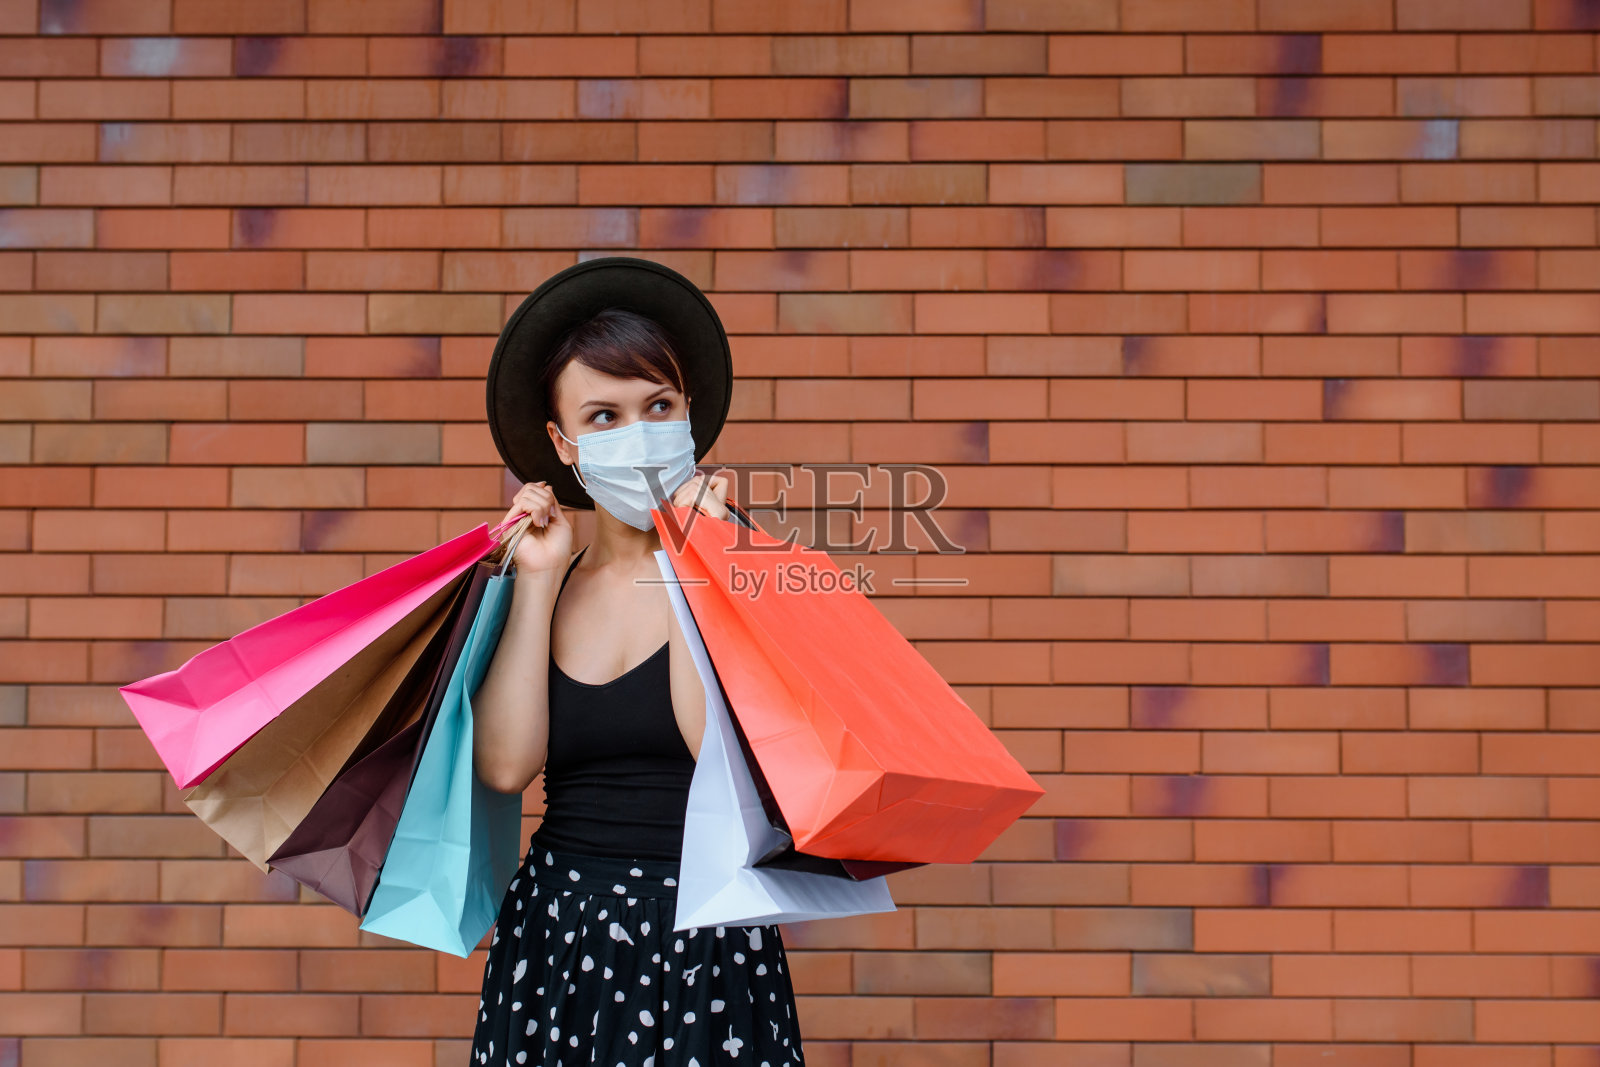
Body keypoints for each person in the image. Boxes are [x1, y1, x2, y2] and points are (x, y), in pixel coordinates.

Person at [468, 258, 806, 1066]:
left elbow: (714, 751)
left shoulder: (746, 567)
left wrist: (697, 563)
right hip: (558, 932)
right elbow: (506, 765)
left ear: (689, 415)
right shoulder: (546, 579)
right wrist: (538, 579)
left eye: (658, 406)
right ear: (562, 443)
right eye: (604, 416)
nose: (639, 433)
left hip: (705, 937)